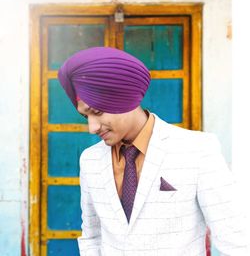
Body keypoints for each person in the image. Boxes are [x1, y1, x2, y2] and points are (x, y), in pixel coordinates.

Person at [58, 47, 248, 256]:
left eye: (97, 112)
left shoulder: (198, 150)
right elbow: (92, 236)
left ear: (124, 98)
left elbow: (235, 240)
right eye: (86, 117)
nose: (92, 128)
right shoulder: (90, 159)